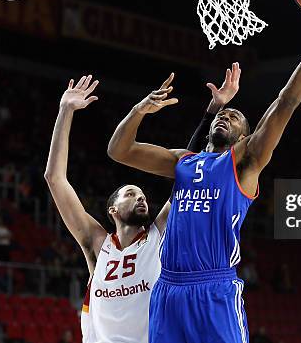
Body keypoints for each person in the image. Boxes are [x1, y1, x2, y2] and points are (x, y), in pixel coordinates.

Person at [107, 0, 301, 343]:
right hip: (168, 289)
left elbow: (287, 101)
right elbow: (119, 151)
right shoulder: (184, 162)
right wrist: (139, 110)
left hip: (214, 290)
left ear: (244, 138)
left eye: (236, 117)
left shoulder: (245, 163)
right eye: (224, 114)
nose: (227, 116)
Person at [45, 74, 239, 343]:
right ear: (112, 209)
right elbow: (54, 178)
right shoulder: (97, 245)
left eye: (142, 195)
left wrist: (212, 112)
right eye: (130, 193)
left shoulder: (157, 238)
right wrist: (65, 111)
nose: (141, 198)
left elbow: (190, 172)